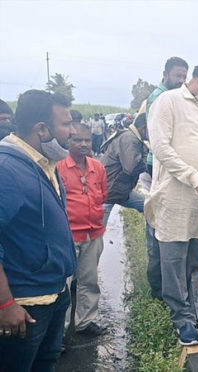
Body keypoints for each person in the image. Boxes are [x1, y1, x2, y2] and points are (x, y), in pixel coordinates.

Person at [146, 60, 198, 346]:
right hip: (173, 198)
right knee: (173, 261)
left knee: (196, 261)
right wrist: (195, 178)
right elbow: (161, 148)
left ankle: (195, 309)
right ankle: (181, 319)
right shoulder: (168, 101)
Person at [0, 90, 77, 370]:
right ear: (42, 129)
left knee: (45, 363)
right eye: (66, 125)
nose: (72, 131)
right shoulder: (7, 169)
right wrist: (5, 304)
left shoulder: (43, 162)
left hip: (53, 293)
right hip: (26, 305)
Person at [141, 57, 188, 301]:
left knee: (162, 225)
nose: (181, 81)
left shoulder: (172, 97)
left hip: (160, 164)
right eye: (177, 76)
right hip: (157, 166)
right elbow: (161, 139)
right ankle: (159, 289)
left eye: (184, 77)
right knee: (158, 225)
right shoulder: (160, 98)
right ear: (165, 74)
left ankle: (163, 287)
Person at [57, 123, 108, 337]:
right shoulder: (59, 167)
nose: (83, 144)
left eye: (87, 140)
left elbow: (104, 195)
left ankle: (85, 323)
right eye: (77, 140)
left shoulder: (98, 167)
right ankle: (59, 332)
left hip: (93, 233)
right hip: (67, 236)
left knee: (89, 280)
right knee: (63, 285)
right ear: (68, 141)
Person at [100, 113, 149, 226]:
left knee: (149, 208)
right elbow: (131, 168)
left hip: (120, 189)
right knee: (97, 233)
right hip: (109, 191)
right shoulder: (130, 138)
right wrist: (147, 160)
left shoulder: (130, 136)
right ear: (144, 128)